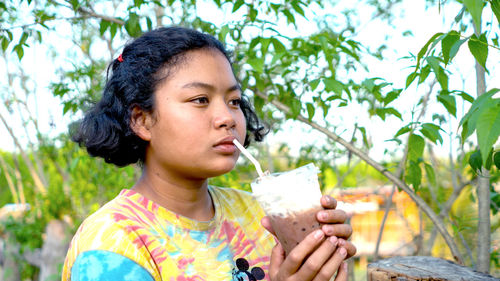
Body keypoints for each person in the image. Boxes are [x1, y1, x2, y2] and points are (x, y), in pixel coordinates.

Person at [62, 26, 356, 281]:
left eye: (234, 100)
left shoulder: (257, 213)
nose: (227, 117)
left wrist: (323, 253)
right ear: (141, 120)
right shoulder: (112, 245)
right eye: (200, 99)